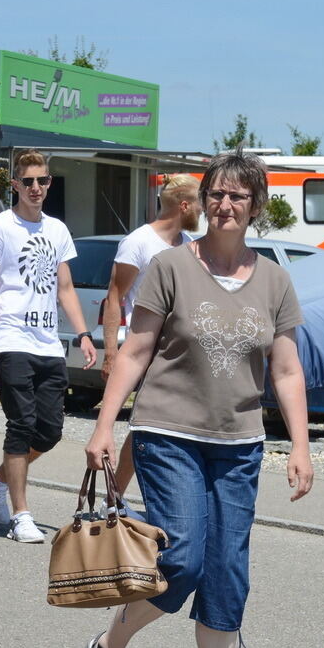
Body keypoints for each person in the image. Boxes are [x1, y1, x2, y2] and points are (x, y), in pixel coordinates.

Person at [82, 149, 313, 648]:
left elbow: (286, 371)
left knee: (228, 571)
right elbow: (135, 351)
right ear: (203, 201)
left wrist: (301, 446)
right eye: (217, 194)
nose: (226, 204)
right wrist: (104, 426)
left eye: (238, 195)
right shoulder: (170, 266)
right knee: (181, 557)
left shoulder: (275, 279)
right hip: (168, 433)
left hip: (239, 444)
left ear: (255, 204)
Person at [0, 149, 96, 543]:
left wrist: (82, 334)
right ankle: (20, 514)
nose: (36, 188)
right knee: (22, 425)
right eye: (27, 181)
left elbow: (64, 288)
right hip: (10, 339)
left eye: (42, 181)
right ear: (15, 185)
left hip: (48, 344)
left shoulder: (57, 230)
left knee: (50, 431)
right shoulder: (0, 227)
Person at [101, 173, 201, 493]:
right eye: (199, 203)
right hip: (144, 347)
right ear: (184, 205)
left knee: (154, 428)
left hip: (177, 352)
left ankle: (115, 495)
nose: (203, 211)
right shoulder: (139, 242)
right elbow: (114, 297)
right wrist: (111, 355)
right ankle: (113, 496)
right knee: (148, 426)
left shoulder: (188, 246)